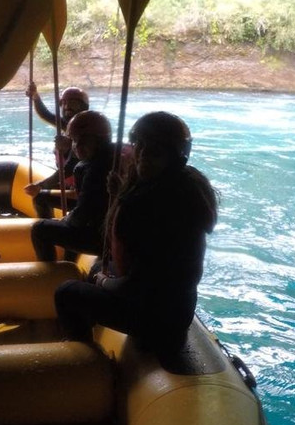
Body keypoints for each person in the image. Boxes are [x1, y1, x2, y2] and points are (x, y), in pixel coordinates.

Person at [54, 112, 218, 354]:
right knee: (98, 270)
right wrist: (120, 193)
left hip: (154, 319)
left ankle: (83, 361)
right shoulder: (188, 187)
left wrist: (104, 281)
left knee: (66, 293)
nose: (143, 155)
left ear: (173, 155)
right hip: (177, 311)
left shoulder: (142, 205)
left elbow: (135, 287)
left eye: (155, 150)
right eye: (140, 145)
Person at [31, 110, 115, 262]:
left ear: (100, 140)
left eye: (83, 141)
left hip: (103, 237)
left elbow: (83, 214)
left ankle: (49, 276)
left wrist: (65, 221)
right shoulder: (110, 157)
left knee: (39, 229)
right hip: (108, 228)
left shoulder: (96, 169)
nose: (78, 146)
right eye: (75, 141)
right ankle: (69, 262)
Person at [24, 83, 91, 218]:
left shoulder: (86, 129)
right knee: (43, 193)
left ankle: (50, 231)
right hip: (71, 185)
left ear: (83, 106)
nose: (67, 107)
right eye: (64, 103)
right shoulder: (68, 124)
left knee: (40, 197)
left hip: (84, 192)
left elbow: (70, 167)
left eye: (72, 103)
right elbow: (46, 115)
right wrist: (35, 97)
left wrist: (40, 185)